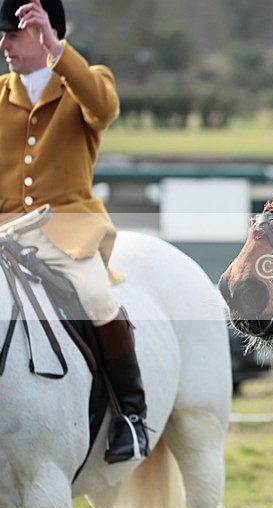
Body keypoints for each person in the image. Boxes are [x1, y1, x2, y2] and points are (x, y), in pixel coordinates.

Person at [0, 0, 148, 463]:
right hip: (5, 231)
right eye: (2, 35)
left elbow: (103, 108)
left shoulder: (88, 83)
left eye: (15, 34)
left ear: (46, 38)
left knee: (97, 297)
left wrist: (57, 49)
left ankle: (131, 415)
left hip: (67, 227)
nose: (3, 44)